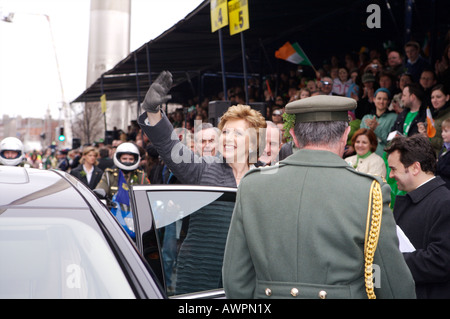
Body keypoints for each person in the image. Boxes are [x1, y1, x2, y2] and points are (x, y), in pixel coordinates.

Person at [222, 95, 416, 299]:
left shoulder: (252, 185)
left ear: (293, 136)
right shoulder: (369, 191)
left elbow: (235, 281)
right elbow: (394, 285)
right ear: (346, 134)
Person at [137, 71, 266, 187]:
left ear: (254, 143)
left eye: (237, 133)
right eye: (225, 132)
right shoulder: (205, 169)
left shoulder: (266, 179)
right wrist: (153, 111)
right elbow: (170, 147)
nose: (228, 138)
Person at [386, 134, 450, 299]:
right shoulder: (416, 199)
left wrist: (390, 259)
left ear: (415, 167)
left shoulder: (444, 202)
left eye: (393, 169)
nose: (391, 175)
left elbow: (441, 261)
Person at [360, 88, 397, 156]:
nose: (381, 101)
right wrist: (370, 130)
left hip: (383, 157)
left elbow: (392, 141)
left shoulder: (394, 117)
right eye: (379, 98)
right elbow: (361, 139)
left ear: (388, 101)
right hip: (366, 156)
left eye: (385, 99)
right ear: (374, 99)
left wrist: (376, 128)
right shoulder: (366, 118)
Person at [422, 84, 450, 155]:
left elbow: (446, 142)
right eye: (432, 97)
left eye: (438, 97)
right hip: (428, 157)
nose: (434, 100)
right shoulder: (430, 114)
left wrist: (429, 138)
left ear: (447, 97)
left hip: (443, 159)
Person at [436, 118, 450, 189]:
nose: (442, 134)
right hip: (441, 184)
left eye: (446, 131)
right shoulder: (444, 147)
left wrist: (438, 164)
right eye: (442, 131)